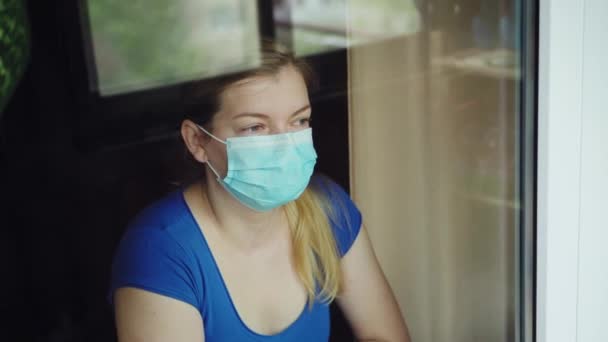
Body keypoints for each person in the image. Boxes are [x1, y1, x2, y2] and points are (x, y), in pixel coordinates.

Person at [109, 41, 411, 342]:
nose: (284, 147)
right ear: (197, 141)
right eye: (255, 127)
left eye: (299, 120)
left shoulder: (326, 207)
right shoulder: (160, 251)